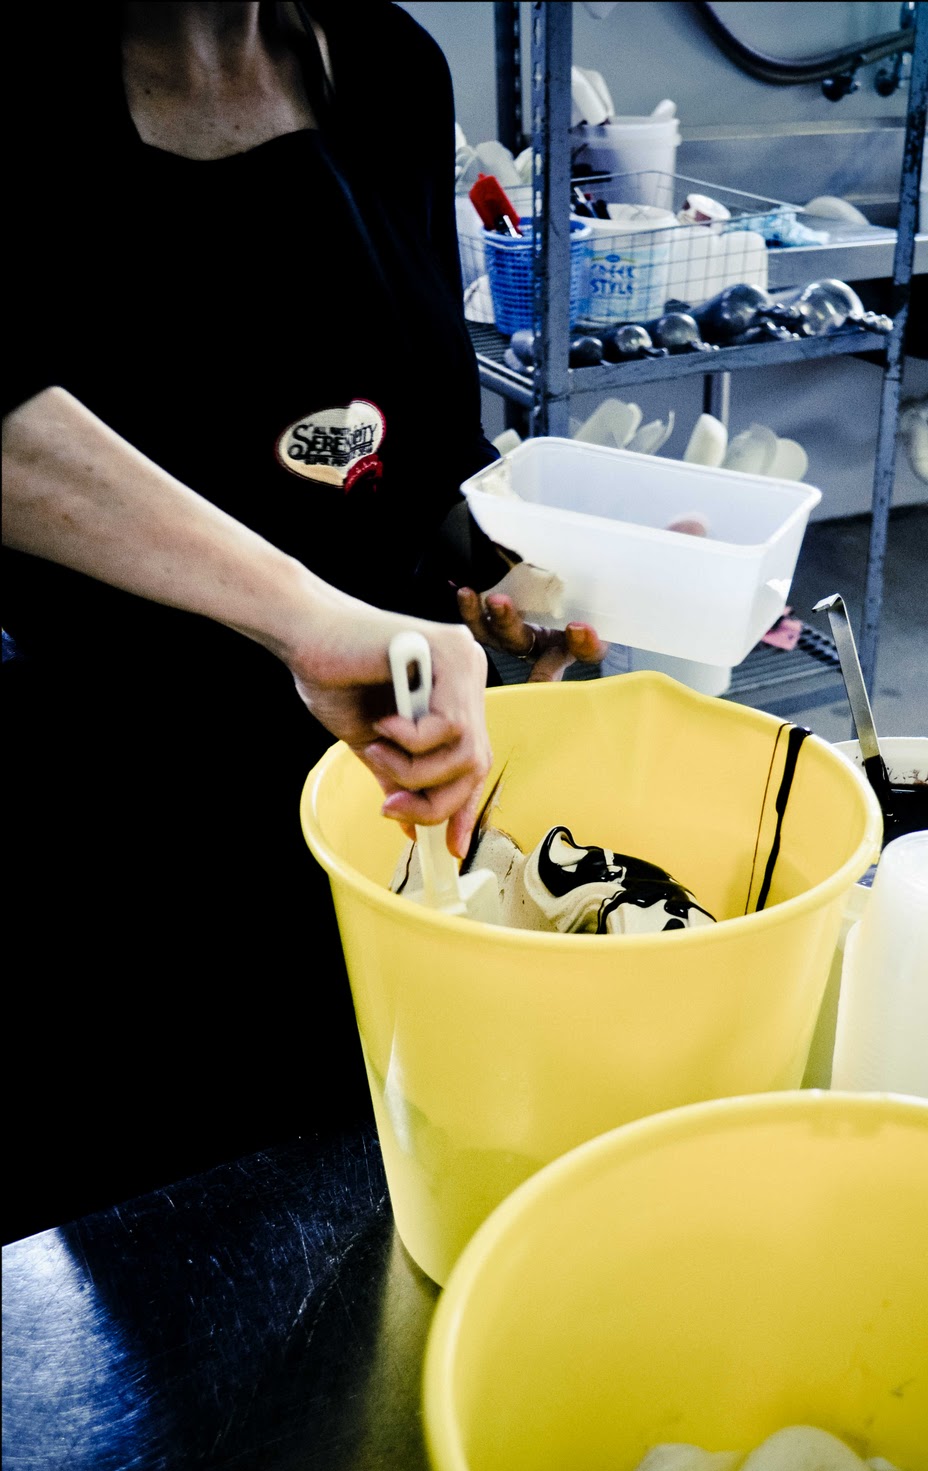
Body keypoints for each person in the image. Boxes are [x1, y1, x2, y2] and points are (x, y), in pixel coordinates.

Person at [2, 0, 603, 1234]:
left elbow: (424, 427)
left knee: (401, 1182)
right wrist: (302, 613)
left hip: (386, 775)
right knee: (183, 1248)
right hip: (126, 815)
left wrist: (494, 562)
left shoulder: (386, 64)